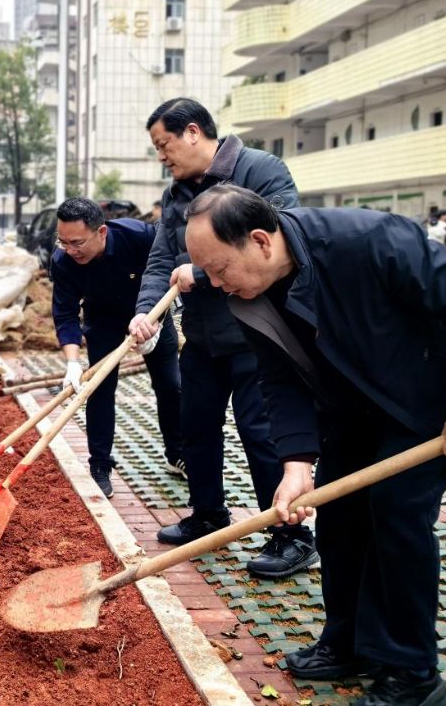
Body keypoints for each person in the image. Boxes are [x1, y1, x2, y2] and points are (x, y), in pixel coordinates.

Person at [182, 185, 446, 706]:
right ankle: (350, 643)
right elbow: (279, 378)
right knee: (338, 516)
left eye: (219, 269)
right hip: (352, 405)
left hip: (424, 401)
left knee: (396, 515)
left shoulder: (371, 240)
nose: (216, 284)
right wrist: (296, 462)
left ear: (261, 241)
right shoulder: (250, 295)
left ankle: (413, 676)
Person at [129, 97, 317, 579]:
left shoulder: (261, 170)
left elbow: (279, 238)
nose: (162, 156)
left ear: (193, 132)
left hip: (258, 333)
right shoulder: (176, 194)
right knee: (195, 425)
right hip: (203, 336)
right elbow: (160, 260)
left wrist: (202, 272)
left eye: (164, 144)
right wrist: (145, 313)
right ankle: (208, 514)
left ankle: (292, 535)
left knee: (263, 433)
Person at [51, 197, 184, 497]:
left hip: (149, 315)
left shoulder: (139, 237)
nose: (70, 250)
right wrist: (72, 362)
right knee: (99, 389)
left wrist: (155, 321)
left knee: (171, 385)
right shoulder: (63, 261)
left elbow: (166, 274)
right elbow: (65, 313)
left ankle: (178, 454)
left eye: (77, 243)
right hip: (103, 321)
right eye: (63, 242)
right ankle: (100, 464)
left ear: (101, 232)